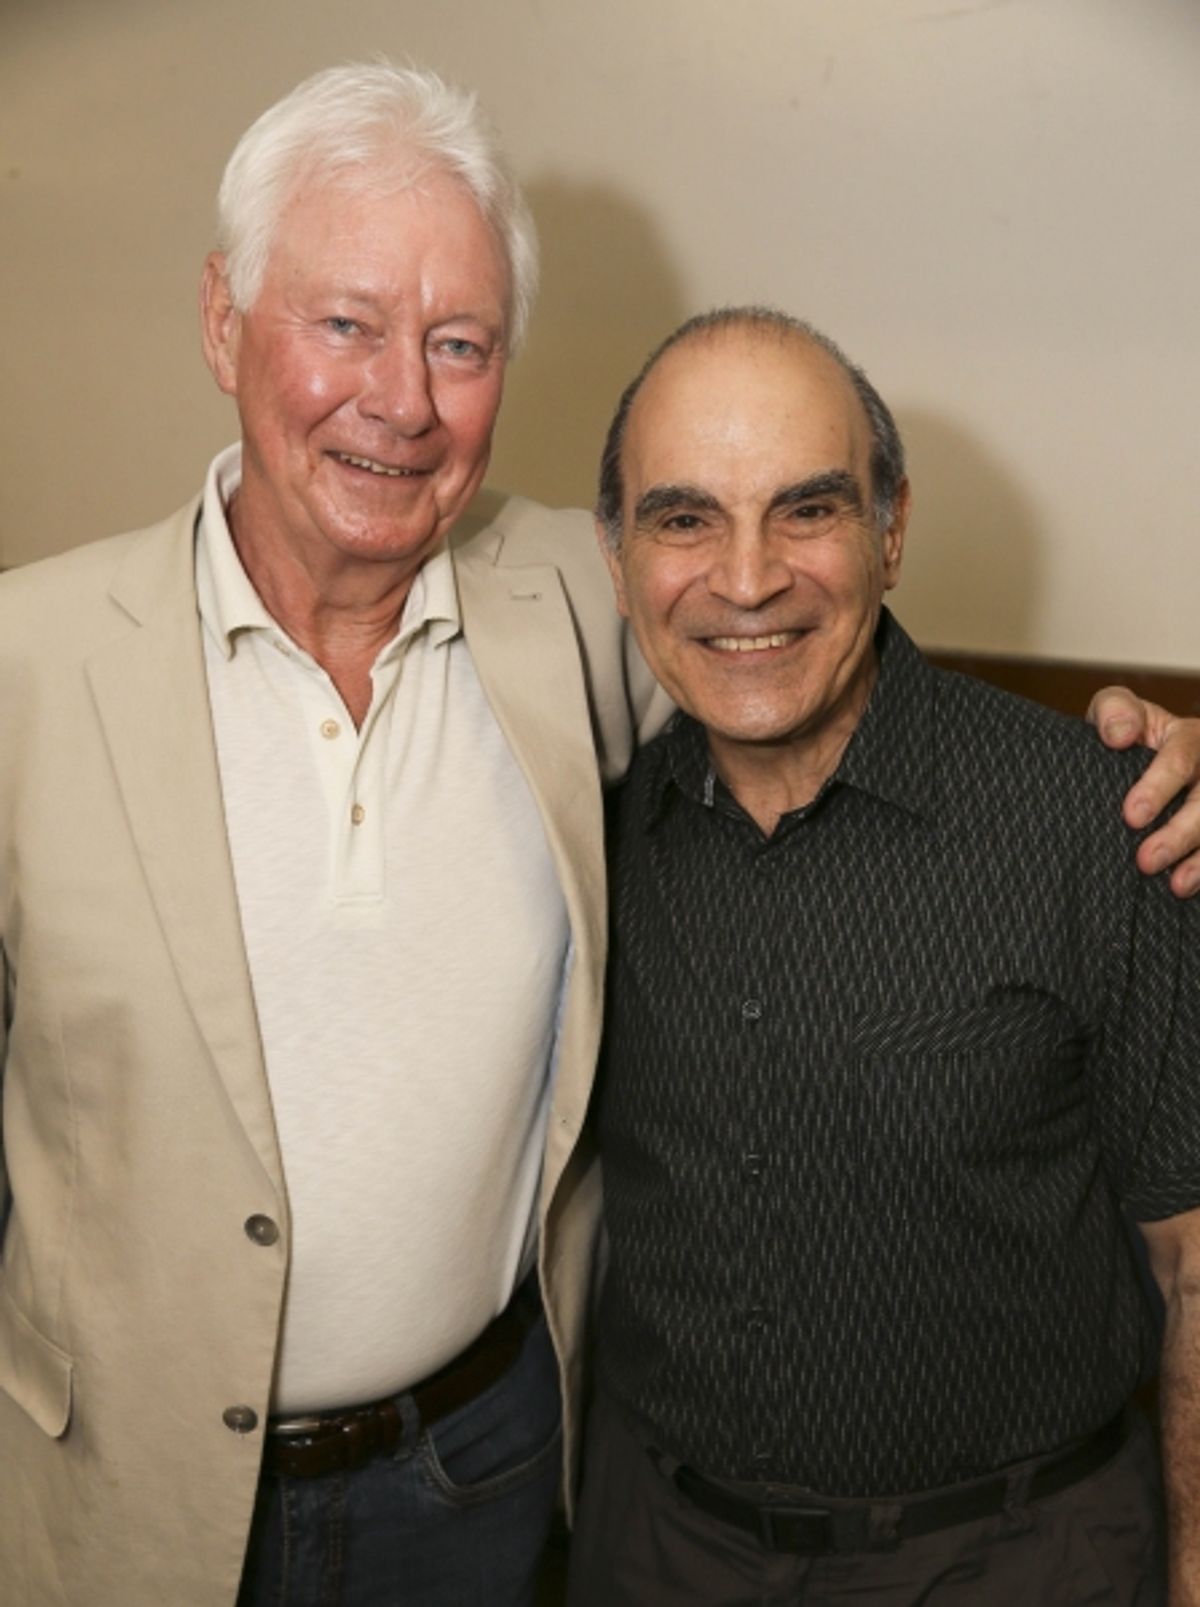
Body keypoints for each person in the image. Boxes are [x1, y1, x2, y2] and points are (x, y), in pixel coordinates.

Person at [0, 64, 1194, 1607]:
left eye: (460, 343)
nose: (402, 401)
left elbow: (797, 643)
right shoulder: (23, 669)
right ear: (226, 321)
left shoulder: (565, 599)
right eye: (345, 324)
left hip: (490, 1485)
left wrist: (1161, 753)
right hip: (121, 1504)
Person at [569, 307, 1200, 1606]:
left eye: (807, 511)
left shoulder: (1102, 823)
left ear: (891, 528)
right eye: (684, 519)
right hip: (655, 1553)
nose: (747, 580)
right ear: (617, 555)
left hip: (1019, 1564)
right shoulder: (583, 822)